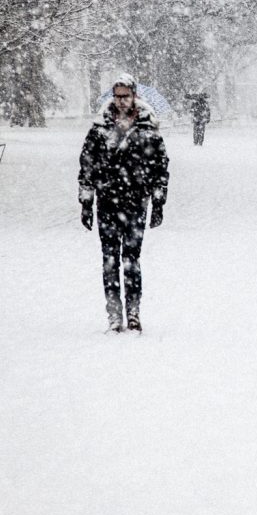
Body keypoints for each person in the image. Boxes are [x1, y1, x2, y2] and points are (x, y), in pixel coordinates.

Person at [78, 73, 169, 333]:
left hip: (136, 201)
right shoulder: (99, 128)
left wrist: (158, 200)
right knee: (109, 259)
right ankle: (114, 314)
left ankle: (133, 312)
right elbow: (87, 164)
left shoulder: (147, 128)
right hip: (107, 201)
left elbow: (160, 166)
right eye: (116, 96)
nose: (120, 101)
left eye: (125, 96)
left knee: (132, 259)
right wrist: (86, 201)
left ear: (134, 96)